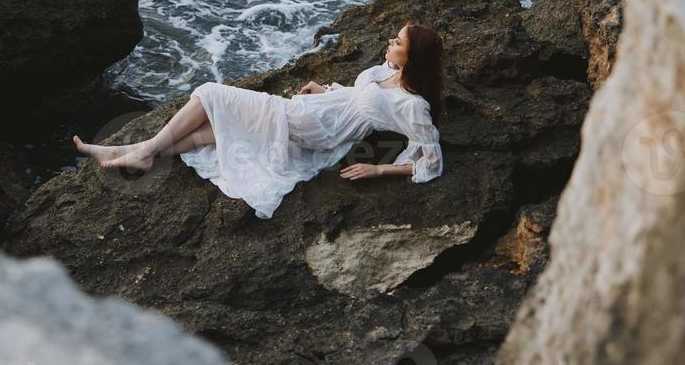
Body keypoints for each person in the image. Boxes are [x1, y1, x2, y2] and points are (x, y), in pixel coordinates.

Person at [73, 23, 444, 218]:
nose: (390, 42)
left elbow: (431, 160)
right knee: (212, 132)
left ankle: (145, 150)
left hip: (318, 129)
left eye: (397, 41)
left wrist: (378, 171)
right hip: (319, 112)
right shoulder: (386, 72)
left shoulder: (411, 105)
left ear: (411, 58)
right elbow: (358, 98)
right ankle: (134, 149)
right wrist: (326, 88)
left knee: (211, 93)